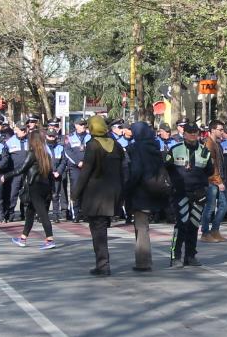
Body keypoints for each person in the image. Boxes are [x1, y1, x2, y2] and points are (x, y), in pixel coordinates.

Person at [72, 114, 124, 276]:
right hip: (112, 194)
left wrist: (75, 193)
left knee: (98, 230)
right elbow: (123, 169)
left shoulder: (92, 145)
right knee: (102, 228)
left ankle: (103, 265)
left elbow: (86, 171)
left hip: (95, 195)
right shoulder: (116, 145)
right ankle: (103, 263)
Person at [165, 121, 212, 267]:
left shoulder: (205, 152)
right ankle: (175, 256)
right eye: (189, 133)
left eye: (195, 133)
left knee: (194, 225)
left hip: (198, 194)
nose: (192, 136)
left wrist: (202, 187)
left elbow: (209, 171)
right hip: (180, 193)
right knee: (181, 224)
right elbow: (166, 170)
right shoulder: (174, 149)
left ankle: (190, 256)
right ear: (184, 134)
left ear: (198, 134)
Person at [124, 121, 168, 271]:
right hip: (154, 189)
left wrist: (127, 186)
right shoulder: (154, 146)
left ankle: (143, 262)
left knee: (141, 227)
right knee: (144, 226)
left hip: (140, 191)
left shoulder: (137, 148)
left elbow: (136, 171)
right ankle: (144, 260)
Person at [13, 129, 57, 250]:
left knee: (42, 214)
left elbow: (21, 169)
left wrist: (5, 176)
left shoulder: (32, 153)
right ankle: (23, 238)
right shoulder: (45, 154)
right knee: (30, 212)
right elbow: (50, 174)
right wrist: (52, 189)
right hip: (44, 186)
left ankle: (49, 239)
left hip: (35, 187)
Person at [200, 121, 227, 242]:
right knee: (210, 207)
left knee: (225, 204)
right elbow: (211, 165)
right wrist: (219, 181)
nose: (222, 132)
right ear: (213, 130)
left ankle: (215, 230)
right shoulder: (208, 143)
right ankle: (205, 233)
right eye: (220, 129)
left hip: (218, 179)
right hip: (212, 180)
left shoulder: (216, 143)